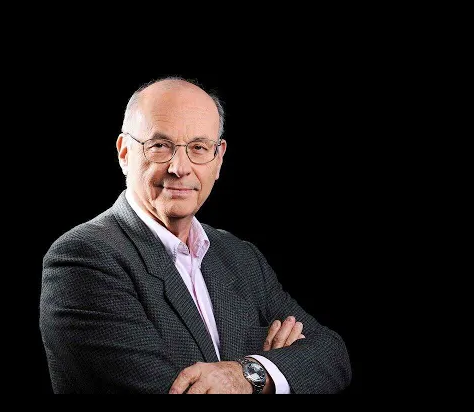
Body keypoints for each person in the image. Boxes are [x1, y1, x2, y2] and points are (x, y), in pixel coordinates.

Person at [39, 77, 351, 394]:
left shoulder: (240, 257)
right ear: (124, 153)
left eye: (199, 148)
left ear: (218, 159)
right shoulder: (83, 258)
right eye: (160, 146)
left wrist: (248, 374)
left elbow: (333, 357)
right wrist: (278, 369)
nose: (180, 167)